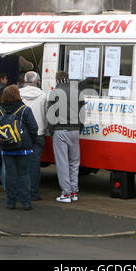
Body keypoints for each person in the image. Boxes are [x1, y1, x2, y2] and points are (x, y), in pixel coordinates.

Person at [0, 85, 38, 210]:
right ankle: (26, 203)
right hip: (24, 148)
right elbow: (34, 128)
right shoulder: (24, 110)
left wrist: (2, 143)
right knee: (24, 175)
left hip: (6, 148)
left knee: (10, 175)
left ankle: (10, 202)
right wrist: (30, 142)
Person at [47, 71, 85, 203]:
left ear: (57, 79)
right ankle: (74, 191)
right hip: (74, 130)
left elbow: (50, 115)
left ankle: (66, 193)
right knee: (74, 162)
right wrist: (79, 128)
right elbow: (83, 113)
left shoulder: (54, 93)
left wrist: (52, 132)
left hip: (60, 130)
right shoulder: (78, 91)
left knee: (62, 162)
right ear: (67, 79)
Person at [19, 71, 47, 201]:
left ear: (24, 81)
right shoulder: (43, 95)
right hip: (38, 133)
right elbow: (47, 115)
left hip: (21, 133)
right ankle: (34, 193)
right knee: (35, 164)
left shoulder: (18, 94)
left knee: (20, 164)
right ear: (37, 81)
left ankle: (21, 192)